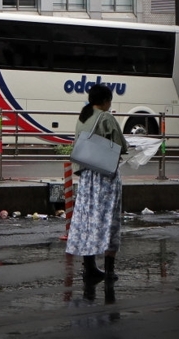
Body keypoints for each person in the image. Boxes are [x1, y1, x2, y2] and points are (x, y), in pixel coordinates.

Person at [65, 83, 126, 286]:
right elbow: (120, 146)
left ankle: (89, 267)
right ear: (106, 100)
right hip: (105, 177)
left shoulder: (84, 116)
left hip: (86, 177)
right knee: (109, 220)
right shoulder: (106, 118)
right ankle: (109, 270)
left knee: (88, 220)